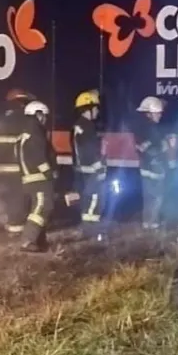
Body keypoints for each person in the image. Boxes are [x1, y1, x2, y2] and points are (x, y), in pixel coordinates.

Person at [0, 88, 34, 238]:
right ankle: (17, 236)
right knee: (18, 204)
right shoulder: (25, 121)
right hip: (19, 171)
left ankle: (11, 230)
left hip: (2, 171)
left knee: (9, 203)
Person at [18, 100, 57, 253]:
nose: (45, 119)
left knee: (40, 208)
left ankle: (39, 240)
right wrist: (49, 173)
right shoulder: (36, 132)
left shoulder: (25, 133)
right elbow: (39, 157)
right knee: (43, 207)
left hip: (29, 177)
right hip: (38, 178)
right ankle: (28, 241)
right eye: (44, 116)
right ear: (38, 115)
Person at [72, 89, 107, 241]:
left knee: (87, 199)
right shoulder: (88, 127)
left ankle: (88, 229)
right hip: (92, 170)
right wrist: (100, 168)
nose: (97, 110)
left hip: (82, 170)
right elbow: (91, 150)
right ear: (89, 108)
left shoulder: (77, 126)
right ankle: (91, 231)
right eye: (95, 107)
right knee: (95, 199)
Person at [133, 95, 170, 230]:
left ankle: (147, 223)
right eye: (158, 113)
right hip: (154, 167)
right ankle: (153, 224)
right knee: (157, 197)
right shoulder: (152, 129)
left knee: (148, 197)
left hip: (146, 167)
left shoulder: (141, 127)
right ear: (149, 113)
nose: (160, 116)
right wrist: (163, 148)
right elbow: (157, 148)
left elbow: (141, 147)